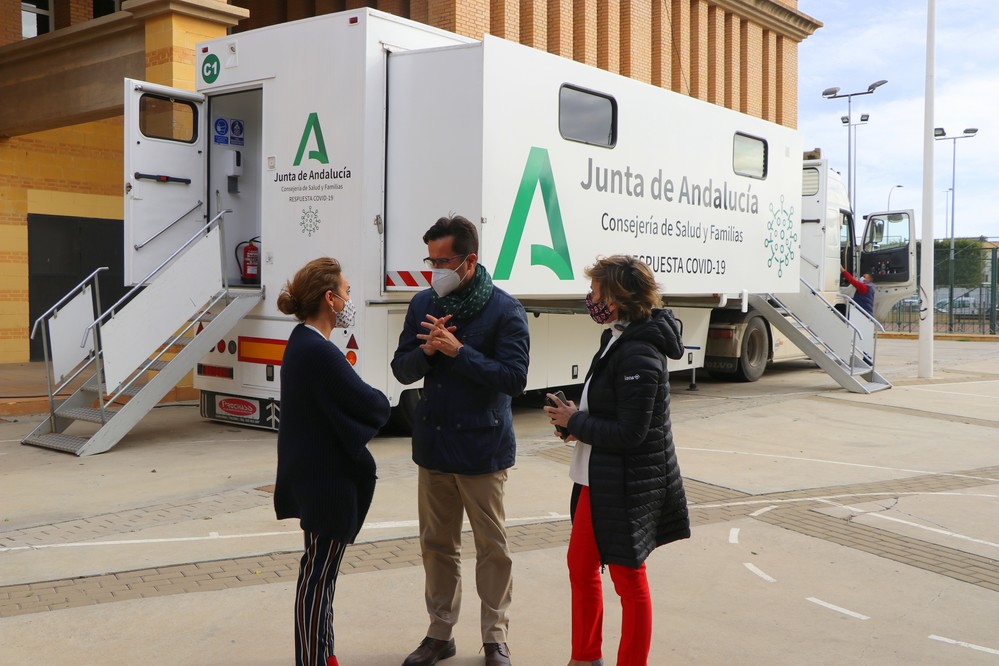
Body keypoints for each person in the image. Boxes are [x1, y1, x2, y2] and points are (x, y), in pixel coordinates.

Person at [392, 215, 530, 666]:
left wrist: (459, 351)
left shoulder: (505, 310)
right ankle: (439, 633)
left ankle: (495, 637)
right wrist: (427, 352)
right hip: (433, 446)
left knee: (492, 548)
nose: (435, 270)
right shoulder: (421, 304)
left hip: (482, 451)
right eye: (430, 260)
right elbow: (401, 369)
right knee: (436, 545)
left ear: (469, 261)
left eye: (443, 260)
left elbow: (513, 379)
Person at [544, 255, 691, 666]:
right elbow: (609, 412)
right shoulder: (617, 337)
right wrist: (572, 423)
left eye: (594, 290)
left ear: (617, 295)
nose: (589, 297)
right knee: (581, 565)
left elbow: (631, 433)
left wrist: (579, 420)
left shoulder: (640, 350)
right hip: (598, 475)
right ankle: (586, 656)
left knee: (628, 578)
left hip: (626, 482)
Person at [274, 257, 391, 666]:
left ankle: (323, 654)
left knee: (320, 575)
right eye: (347, 291)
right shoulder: (318, 351)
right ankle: (312, 659)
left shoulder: (302, 342)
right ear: (331, 299)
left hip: (315, 478)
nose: (350, 298)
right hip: (326, 482)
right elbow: (371, 403)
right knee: (318, 578)